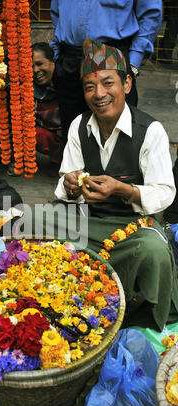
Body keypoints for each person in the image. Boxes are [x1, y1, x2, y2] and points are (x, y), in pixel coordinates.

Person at [53, 38, 178, 331]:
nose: (99, 94)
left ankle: (142, 321)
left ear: (127, 85)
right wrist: (70, 185)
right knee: (30, 223)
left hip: (132, 229)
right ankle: (67, 304)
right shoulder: (78, 127)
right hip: (87, 222)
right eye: (89, 87)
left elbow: (164, 193)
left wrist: (124, 190)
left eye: (108, 83)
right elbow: (63, 184)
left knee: (154, 252)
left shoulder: (151, 131)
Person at [50, 0, 163, 143]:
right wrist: (56, 55)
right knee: (73, 131)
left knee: (117, 135)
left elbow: (151, 14)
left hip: (113, 56)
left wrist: (134, 61)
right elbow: (56, 14)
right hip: (70, 60)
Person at [32, 42, 64, 177]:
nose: (35, 70)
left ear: (53, 62)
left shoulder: (67, 83)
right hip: (51, 135)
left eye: (39, 64)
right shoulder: (31, 89)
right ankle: (56, 159)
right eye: (31, 66)